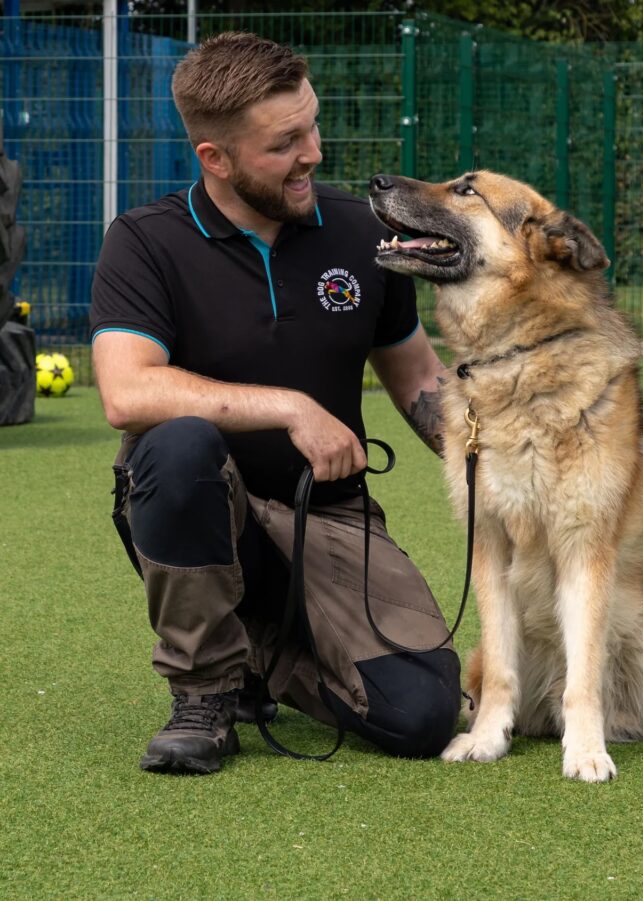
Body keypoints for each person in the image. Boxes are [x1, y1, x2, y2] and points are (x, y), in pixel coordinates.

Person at [89, 32, 460, 775]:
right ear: (215, 158)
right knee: (175, 445)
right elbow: (127, 392)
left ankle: (257, 656)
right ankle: (205, 692)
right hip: (208, 511)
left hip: (334, 517)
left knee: (422, 715)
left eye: (312, 127)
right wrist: (292, 407)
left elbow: (421, 380)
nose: (313, 153)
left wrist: (518, 458)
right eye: (284, 143)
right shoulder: (145, 242)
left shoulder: (360, 230)